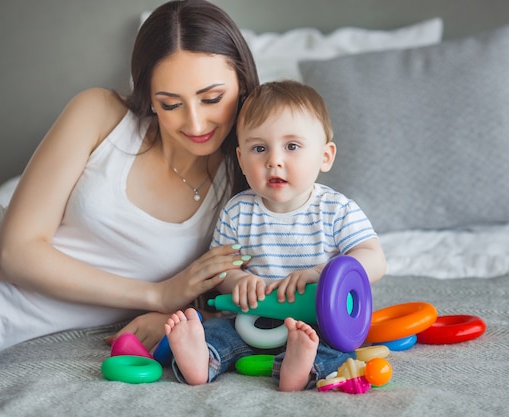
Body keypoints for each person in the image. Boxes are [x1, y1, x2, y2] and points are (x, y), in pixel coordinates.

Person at [0, 0, 260, 356]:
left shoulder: (248, 177)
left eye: (212, 98)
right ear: (149, 95)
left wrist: (186, 314)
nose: (195, 123)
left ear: (241, 82)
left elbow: (253, 289)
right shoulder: (100, 114)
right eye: (171, 104)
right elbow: (13, 254)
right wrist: (157, 295)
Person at [164, 80, 387, 391]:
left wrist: (319, 274)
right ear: (242, 160)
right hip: (251, 319)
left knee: (334, 346)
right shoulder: (238, 211)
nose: (274, 160)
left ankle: (299, 364)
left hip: (312, 321)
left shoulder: (336, 210)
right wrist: (238, 282)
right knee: (218, 331)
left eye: (292, 146)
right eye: (259, 148)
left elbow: (373, 258)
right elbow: (221, 267)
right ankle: (201, 359)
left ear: (325, 156)